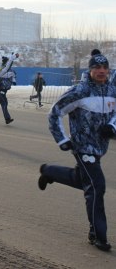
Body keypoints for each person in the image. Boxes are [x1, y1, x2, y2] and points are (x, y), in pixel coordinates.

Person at [38, 53, 116, 252]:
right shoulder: (79, 91)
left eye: (104, 68)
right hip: (82, 147)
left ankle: (50, 172)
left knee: (84, 180)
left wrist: (112, 126)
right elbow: (55, 113)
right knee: (97, 186)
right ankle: (97, 235)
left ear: (108, 70)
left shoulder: (112, 89)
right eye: (97, 68)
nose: (101, 71)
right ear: (90, 70)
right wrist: (62, 139)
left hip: (100, 147)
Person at [0, 56, 17, 124]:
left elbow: (13, 76)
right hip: (0, 88)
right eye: (5, 61)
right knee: (4, 102)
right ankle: (7, 119)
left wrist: (14, 81)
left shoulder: (12, 71)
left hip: (5, 89)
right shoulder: (1, 69)